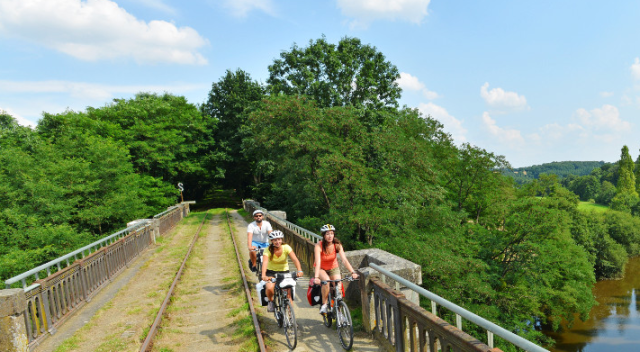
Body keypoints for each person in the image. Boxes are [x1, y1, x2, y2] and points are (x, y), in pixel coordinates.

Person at [313, 224, 359, 314]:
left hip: (333, 268)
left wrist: (353, 272)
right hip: (321, 269)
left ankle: (340, 311)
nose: (330, 236)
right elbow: (318, 262)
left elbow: (344, 260)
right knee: (326, 281)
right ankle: (324, 305)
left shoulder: (337, 245)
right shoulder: (319, 245)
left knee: (338, 286)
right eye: (327, 234)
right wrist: (316, 277)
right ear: (323, 235)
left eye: (331, 233)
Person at [262, 230, 304, 312]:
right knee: (270, 288)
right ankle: (271, 301)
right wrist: (264, 275)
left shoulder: (286, 247)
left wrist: (299, 270)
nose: (277, 242)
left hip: (284, 272)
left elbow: (295, 259)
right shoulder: (267, 250)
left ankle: (291, 319)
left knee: (288, 294)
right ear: (272, 241)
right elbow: (265, 262)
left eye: (279, 239)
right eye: (275, 240)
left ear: (281, 239)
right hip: (271, 272)